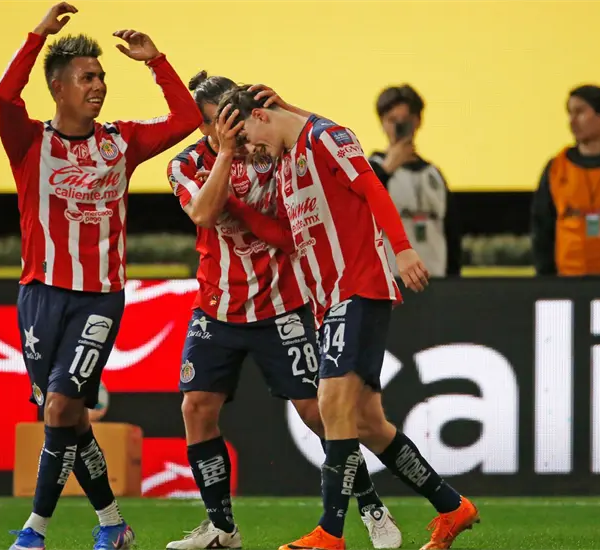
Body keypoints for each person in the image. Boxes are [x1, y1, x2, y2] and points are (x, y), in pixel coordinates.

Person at [216, 86, 479, 550]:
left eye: (249, 140)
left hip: (358, 288)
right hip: (330, 300)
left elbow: (371, 186)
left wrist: (401, 248)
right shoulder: (286, 163)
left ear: (260, 114)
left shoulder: (327, 136)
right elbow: (285, 234)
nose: (251, 153)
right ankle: (452, 506)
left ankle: (330, 533)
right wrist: (235, 212)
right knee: (368, 423)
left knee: (332, 405)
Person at [0, 3, 201, 549]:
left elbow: (185, 119)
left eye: (103, 76)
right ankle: (113, 524)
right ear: (58, 88)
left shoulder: (120, 142)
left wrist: (157, 61)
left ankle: (34, 532)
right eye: (88, 76)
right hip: (38, 295)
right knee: (70, 418)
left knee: (61, 407)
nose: (100, 85)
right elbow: (3, 99)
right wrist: (38, 35)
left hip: (98, 299)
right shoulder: (29, 142)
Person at [165, 74, 402, 550]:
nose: (225, 132)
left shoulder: (269, 154)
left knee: (321, 413)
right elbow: (204, 214)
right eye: (215, 124)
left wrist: (286, 108)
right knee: (196, 406)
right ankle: (221, 528)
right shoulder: (186, 163)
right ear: (204, 126)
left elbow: (290, 226)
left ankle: (372, 505)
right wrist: (226, 155)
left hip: (281, 305)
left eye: (233, 121)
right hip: (216, 307)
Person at [531, 84, 600, 276]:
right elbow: (542, 229)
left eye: (580, 112)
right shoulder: (557, 167)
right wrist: (546, 279)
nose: (572, 121)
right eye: (569, 113)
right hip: (569, 281)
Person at [368, 84, 461, 278]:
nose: (399, 127)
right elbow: (359, 216)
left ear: (417, 121)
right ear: (382, 123)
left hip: (435, 278)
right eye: (392, 120)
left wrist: (454, 279)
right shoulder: (371, 170)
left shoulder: (433, 174)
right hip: (390, 280)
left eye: (406, 120)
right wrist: (386, 170)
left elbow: (451, 231)